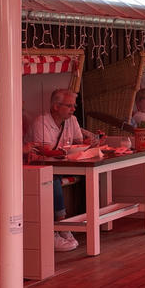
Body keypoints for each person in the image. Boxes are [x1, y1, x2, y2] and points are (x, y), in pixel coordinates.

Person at [30, 89, 98, 252]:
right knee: (52, 178)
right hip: (39, 167)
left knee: (93, 175)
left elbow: (78, 143)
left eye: (73, 106)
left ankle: (89, 220)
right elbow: (42, 151)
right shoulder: (41, 122)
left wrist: (90, 142)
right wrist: (64, 151)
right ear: (55, 106)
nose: (73, 109)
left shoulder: (72, 120)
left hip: (66, 164)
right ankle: (61, 224)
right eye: (69, 106)